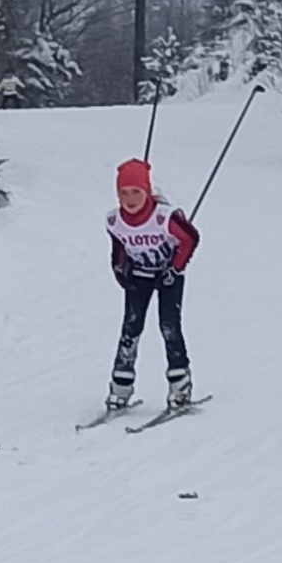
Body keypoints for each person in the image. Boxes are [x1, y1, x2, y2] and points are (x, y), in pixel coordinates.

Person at [105, 158, 199, 411]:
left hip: (167, 275)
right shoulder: (114, 221)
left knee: (168, 325)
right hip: (140, 275)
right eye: (124, 193)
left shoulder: (164, 217)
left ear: (147, 192)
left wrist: (176, 267)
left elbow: (190, 238)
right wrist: (119, 268)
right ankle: (120, 387)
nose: (130, 199)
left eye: (136, 192)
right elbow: (119, 247)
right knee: (131, 327)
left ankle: (180, 385)